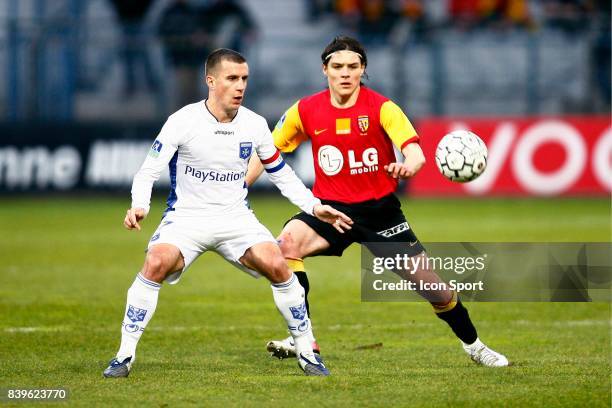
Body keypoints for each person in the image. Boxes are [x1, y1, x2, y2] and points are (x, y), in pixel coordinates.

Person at [246, 36, 509, 367]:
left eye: (353, 67)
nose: (345, 73)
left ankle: (474, 346)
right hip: (331, 210)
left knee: (435, 291)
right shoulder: (305, 110)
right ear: (324, 69)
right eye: (338, 66)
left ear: (363, 69)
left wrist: (407, 165)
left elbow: (415, 153)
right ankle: (305, 339)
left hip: (380, 213)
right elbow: (269, 152)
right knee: (286, 245)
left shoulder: (383, 108)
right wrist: (239, 187)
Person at [102, 48, 354, 378]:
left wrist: (312, 206)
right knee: (156, 262)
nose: (240, 86)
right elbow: (149, 170)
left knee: (278, 264)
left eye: (244, 79)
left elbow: (278, 171)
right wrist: (140, 205)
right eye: (232, 79)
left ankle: (307, 352)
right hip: (187, 219)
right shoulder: (183, 121)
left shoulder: (254, 124)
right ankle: (124, 356)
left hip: (236, 219)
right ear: (211, 81)